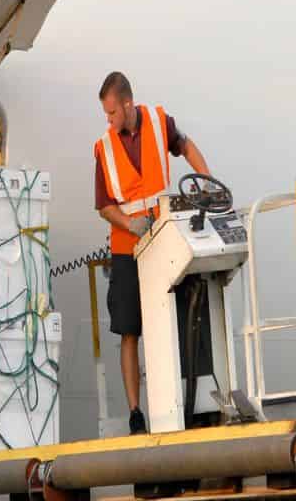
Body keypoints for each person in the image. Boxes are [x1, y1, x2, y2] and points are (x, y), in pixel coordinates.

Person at [93, 71, 212, 434]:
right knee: (130, 331)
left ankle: (186, 402)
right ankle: (135, 414)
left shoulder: (160, 122)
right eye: (106, 115)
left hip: (163, 243)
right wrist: (130, 225)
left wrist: (206, 181)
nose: (109, 121)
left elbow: (186, 146)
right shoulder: (104, 147)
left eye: (112, 113)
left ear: (128, 104)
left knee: (176, 321)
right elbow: (104, 206)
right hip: (128, 250)